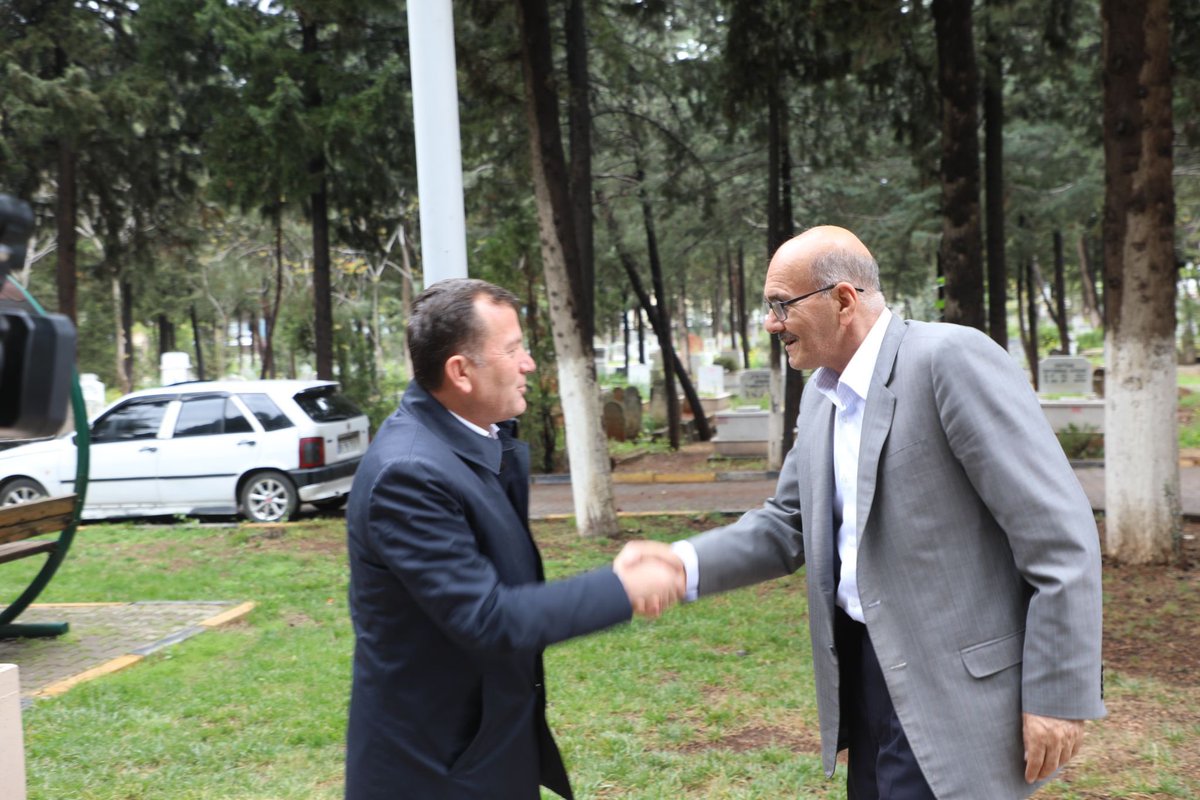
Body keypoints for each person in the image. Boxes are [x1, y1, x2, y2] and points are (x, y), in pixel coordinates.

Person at [619, 226, 1105, 799]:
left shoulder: (948, 359)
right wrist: (682, 564)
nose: (771, 323)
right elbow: (787, 524)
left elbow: (1059, 537)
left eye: (781, 305)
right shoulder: (824, 400)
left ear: (843, 300)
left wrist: (1058, 696)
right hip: (868, 680)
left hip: (956, 693)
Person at [345, 278, 680, 800]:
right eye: (514, 349)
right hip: (434, 772)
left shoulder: (473, 441)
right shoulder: (408, 473)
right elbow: (487, 617)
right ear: (461, 372)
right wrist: (624, 589)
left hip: (484, 751)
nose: (528, 364)